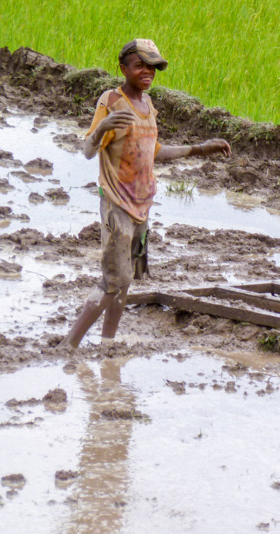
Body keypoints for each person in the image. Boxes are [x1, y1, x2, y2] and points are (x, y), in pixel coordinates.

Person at [62, 39, 232, 350]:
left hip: (142, 206)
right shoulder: (112, 101)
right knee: (113, 280)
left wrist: (200, 148)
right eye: (139, 65)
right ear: (123, 68)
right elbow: (88, 150)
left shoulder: (148, 105)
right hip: (116, 205)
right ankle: (69, 345)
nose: (147, 72)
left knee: (125, 282)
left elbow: (153, 152)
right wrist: (103, 128)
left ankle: (107, 343)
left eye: (151, 66)